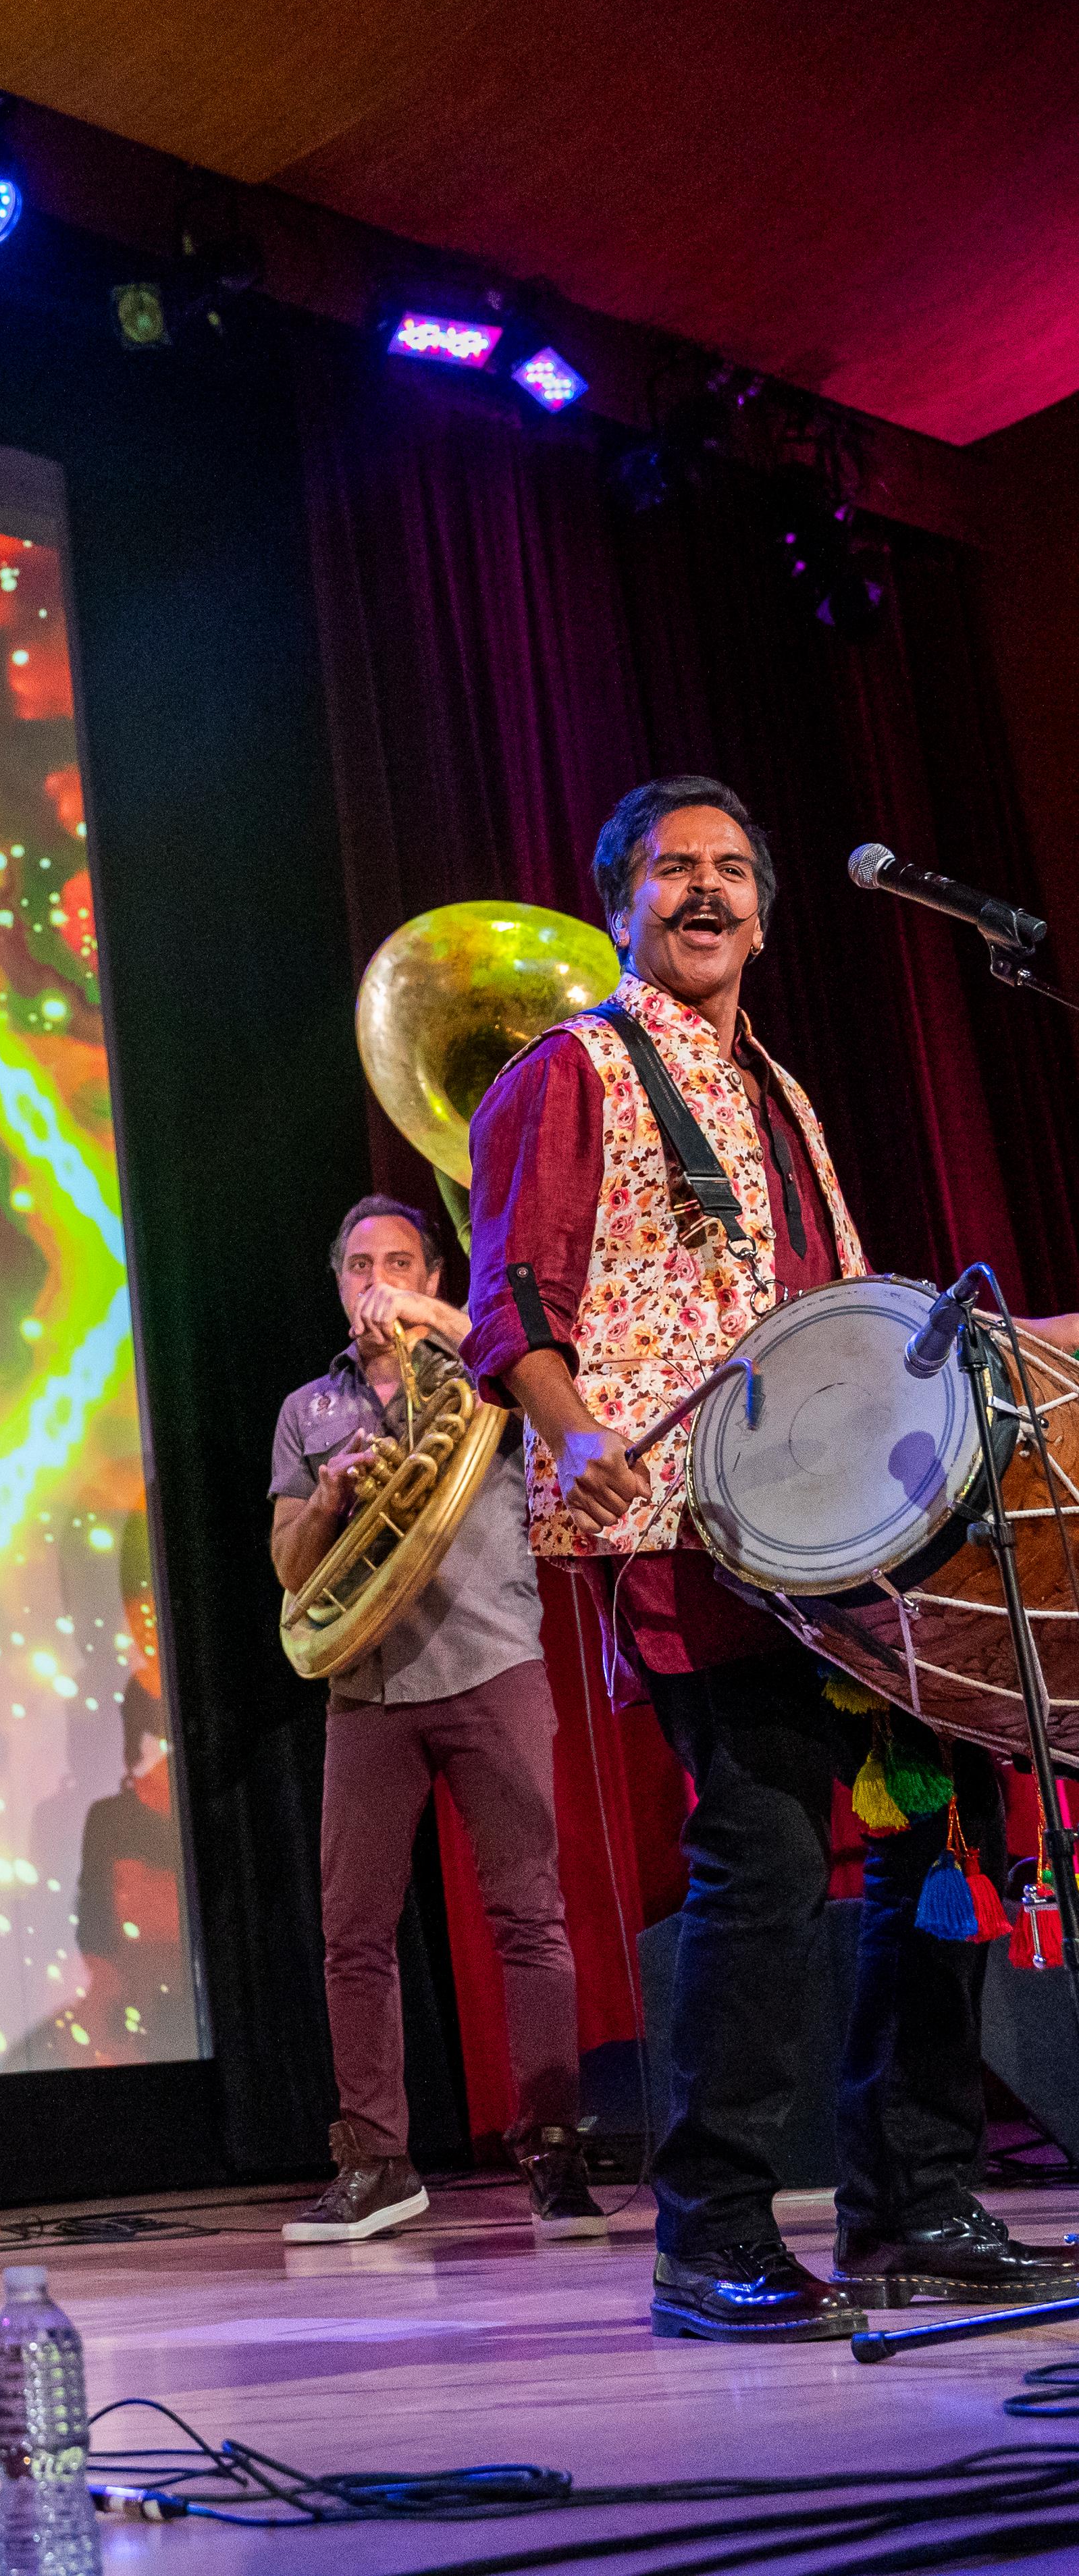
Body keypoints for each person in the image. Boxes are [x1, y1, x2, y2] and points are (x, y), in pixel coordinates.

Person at [462, 774, 1079, 2340]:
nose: (711, 892)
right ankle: (713, 2235)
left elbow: (838, 1302)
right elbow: (509, 1304)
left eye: (736, 868)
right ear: (620, 903)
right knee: (767, 1866)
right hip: (692, 1530)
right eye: (678, 870)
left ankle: (917, 2204)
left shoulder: (783, 1092)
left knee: (943, 1849)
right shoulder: (570, 1074)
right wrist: (579, 1432)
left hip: (858, 1540)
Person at [270, 1196, 599, 2243]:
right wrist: (328, 1500)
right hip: (367, 1687)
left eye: (401, 1263)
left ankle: (552, 2148)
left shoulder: (487, 1373)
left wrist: (427, 1318)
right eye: (361, 1265)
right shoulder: (308, 1411)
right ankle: (378, 2162)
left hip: (492, 1667)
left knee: (528, 1916)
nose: (378, 1282)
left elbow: (522, 1355)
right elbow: (287, 1571)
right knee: (353, 1934)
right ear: (337, 1281)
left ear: (436, 1278)